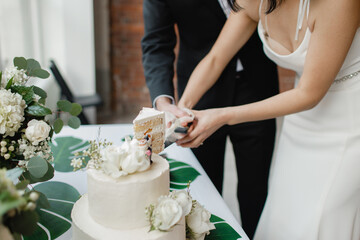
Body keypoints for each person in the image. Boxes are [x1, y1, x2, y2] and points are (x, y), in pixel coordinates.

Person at [176, 0, 360, 239]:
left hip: (348, 120)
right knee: (285, 215)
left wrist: (223, 115)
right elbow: (215, 59)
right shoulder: (254, 1)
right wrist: (183, 108)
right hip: (301, 119)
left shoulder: (338, 3)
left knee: (323, 216)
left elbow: (310, 94)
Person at [141, 0, 279, 238]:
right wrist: (169, 104)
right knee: (202, 193)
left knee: (256, 191)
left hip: (257, 89)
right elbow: (157, 44)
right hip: (200, 92)